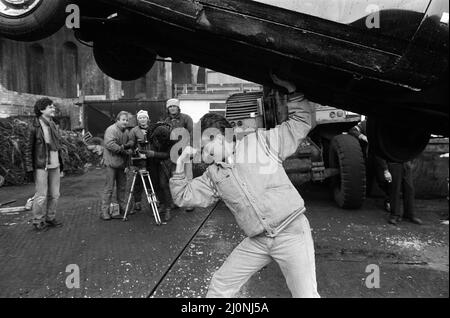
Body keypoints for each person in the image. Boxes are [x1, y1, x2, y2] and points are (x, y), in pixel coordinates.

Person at [170, 84, 320, 298]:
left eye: (207, 146)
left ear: (221, 136)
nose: (205, 153)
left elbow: (301, 123)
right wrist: (180, 163)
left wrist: (293, 92)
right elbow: (183, 197)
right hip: (259, 240)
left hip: (291, 232)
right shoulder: (214, 174)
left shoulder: (260, 143)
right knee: (220, 285)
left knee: (306, 295)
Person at [24, 97, 63, 231]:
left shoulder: (53, 124)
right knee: (41, 196)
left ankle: (50, 218)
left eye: (53, 106)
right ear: (41, 110)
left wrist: (61, 164)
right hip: (42, 166)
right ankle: (37, 220)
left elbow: (58, 147)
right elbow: (28, 149)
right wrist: (29, 168)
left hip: (55, 165)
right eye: (50, 107)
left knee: (55, 194)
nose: (53, 109)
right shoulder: (35, 127)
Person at [128, 110, 172, 222]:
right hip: (150, 162)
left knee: (163, 184)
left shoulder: (167, 138)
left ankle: (168, 208)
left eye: (144, 118)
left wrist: (153, 153)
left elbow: (167, 154)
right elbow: (133, 144)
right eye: (140, 118)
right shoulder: (149, 133)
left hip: (162, 163)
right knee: (155, 184)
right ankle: (161, 205)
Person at [349, 119, 392, 212]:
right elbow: (353, 130)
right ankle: (364, 198)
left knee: (383, 179)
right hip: (370, 156)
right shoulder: (365, 124)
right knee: (366, 177)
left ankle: (389, 200)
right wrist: (362, 136)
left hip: (382, 157)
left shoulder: (384, 125)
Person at [100, 111, 133, 221]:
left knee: (122, 187)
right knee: (109, 188)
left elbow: (129, 147)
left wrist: (127, 163)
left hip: (121, 164)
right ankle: (104, 211)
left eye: (127, 120)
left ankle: (123, 208)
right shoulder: (111, 130)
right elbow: (109, 144)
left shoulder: (126, 132)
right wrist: (123, 150)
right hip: (111, 163)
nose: (125, 122)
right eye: (123, 120)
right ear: (117, 120)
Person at [164, 98, 195, 212]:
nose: (172, 108)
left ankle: (190, 202)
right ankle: (177, 200)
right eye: (170, 106)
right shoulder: (166, 121)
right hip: (173, 154)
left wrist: (190, 149)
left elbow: (193, 134)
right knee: (176, 177)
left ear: (178, 107)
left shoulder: (186, 118)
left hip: (185, 152)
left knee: (188, 177)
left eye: (174, 106)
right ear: (168, 108)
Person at [387, 161, 423, 226]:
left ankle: (409, 215)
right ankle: (394, 215)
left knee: (409, 189)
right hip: (394, 162)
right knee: (395, 189)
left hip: (406, 162)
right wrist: (385, 169)